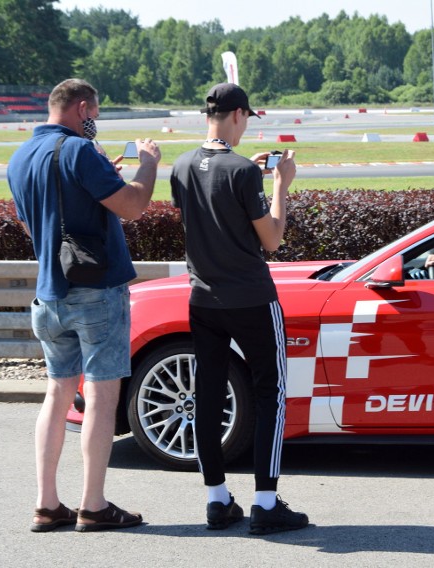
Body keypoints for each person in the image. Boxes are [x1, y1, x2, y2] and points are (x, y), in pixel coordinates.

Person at [7, 78, 161, 532]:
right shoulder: (79, 151)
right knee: (100, 393)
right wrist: (147, 165)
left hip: (48, 293)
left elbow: (36, 227)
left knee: (57, 394)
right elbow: (133, 206)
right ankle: (92, 504)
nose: (95, 121)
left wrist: (100, 179)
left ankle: (46, 503)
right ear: (80, 108)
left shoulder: (20, 157)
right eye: (94, 113)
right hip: (95, 292)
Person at [170, 83, 309, 535]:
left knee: (208, 396)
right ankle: (265, 503)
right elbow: (272, 239)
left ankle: (216, 499)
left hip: (203, 298)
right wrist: (280, 185)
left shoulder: (182, 165)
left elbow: (204, 212)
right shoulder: (245, 172)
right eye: (247, 117)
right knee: (271, 392)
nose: (247, 125)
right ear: (237, 116)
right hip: (250, 296)